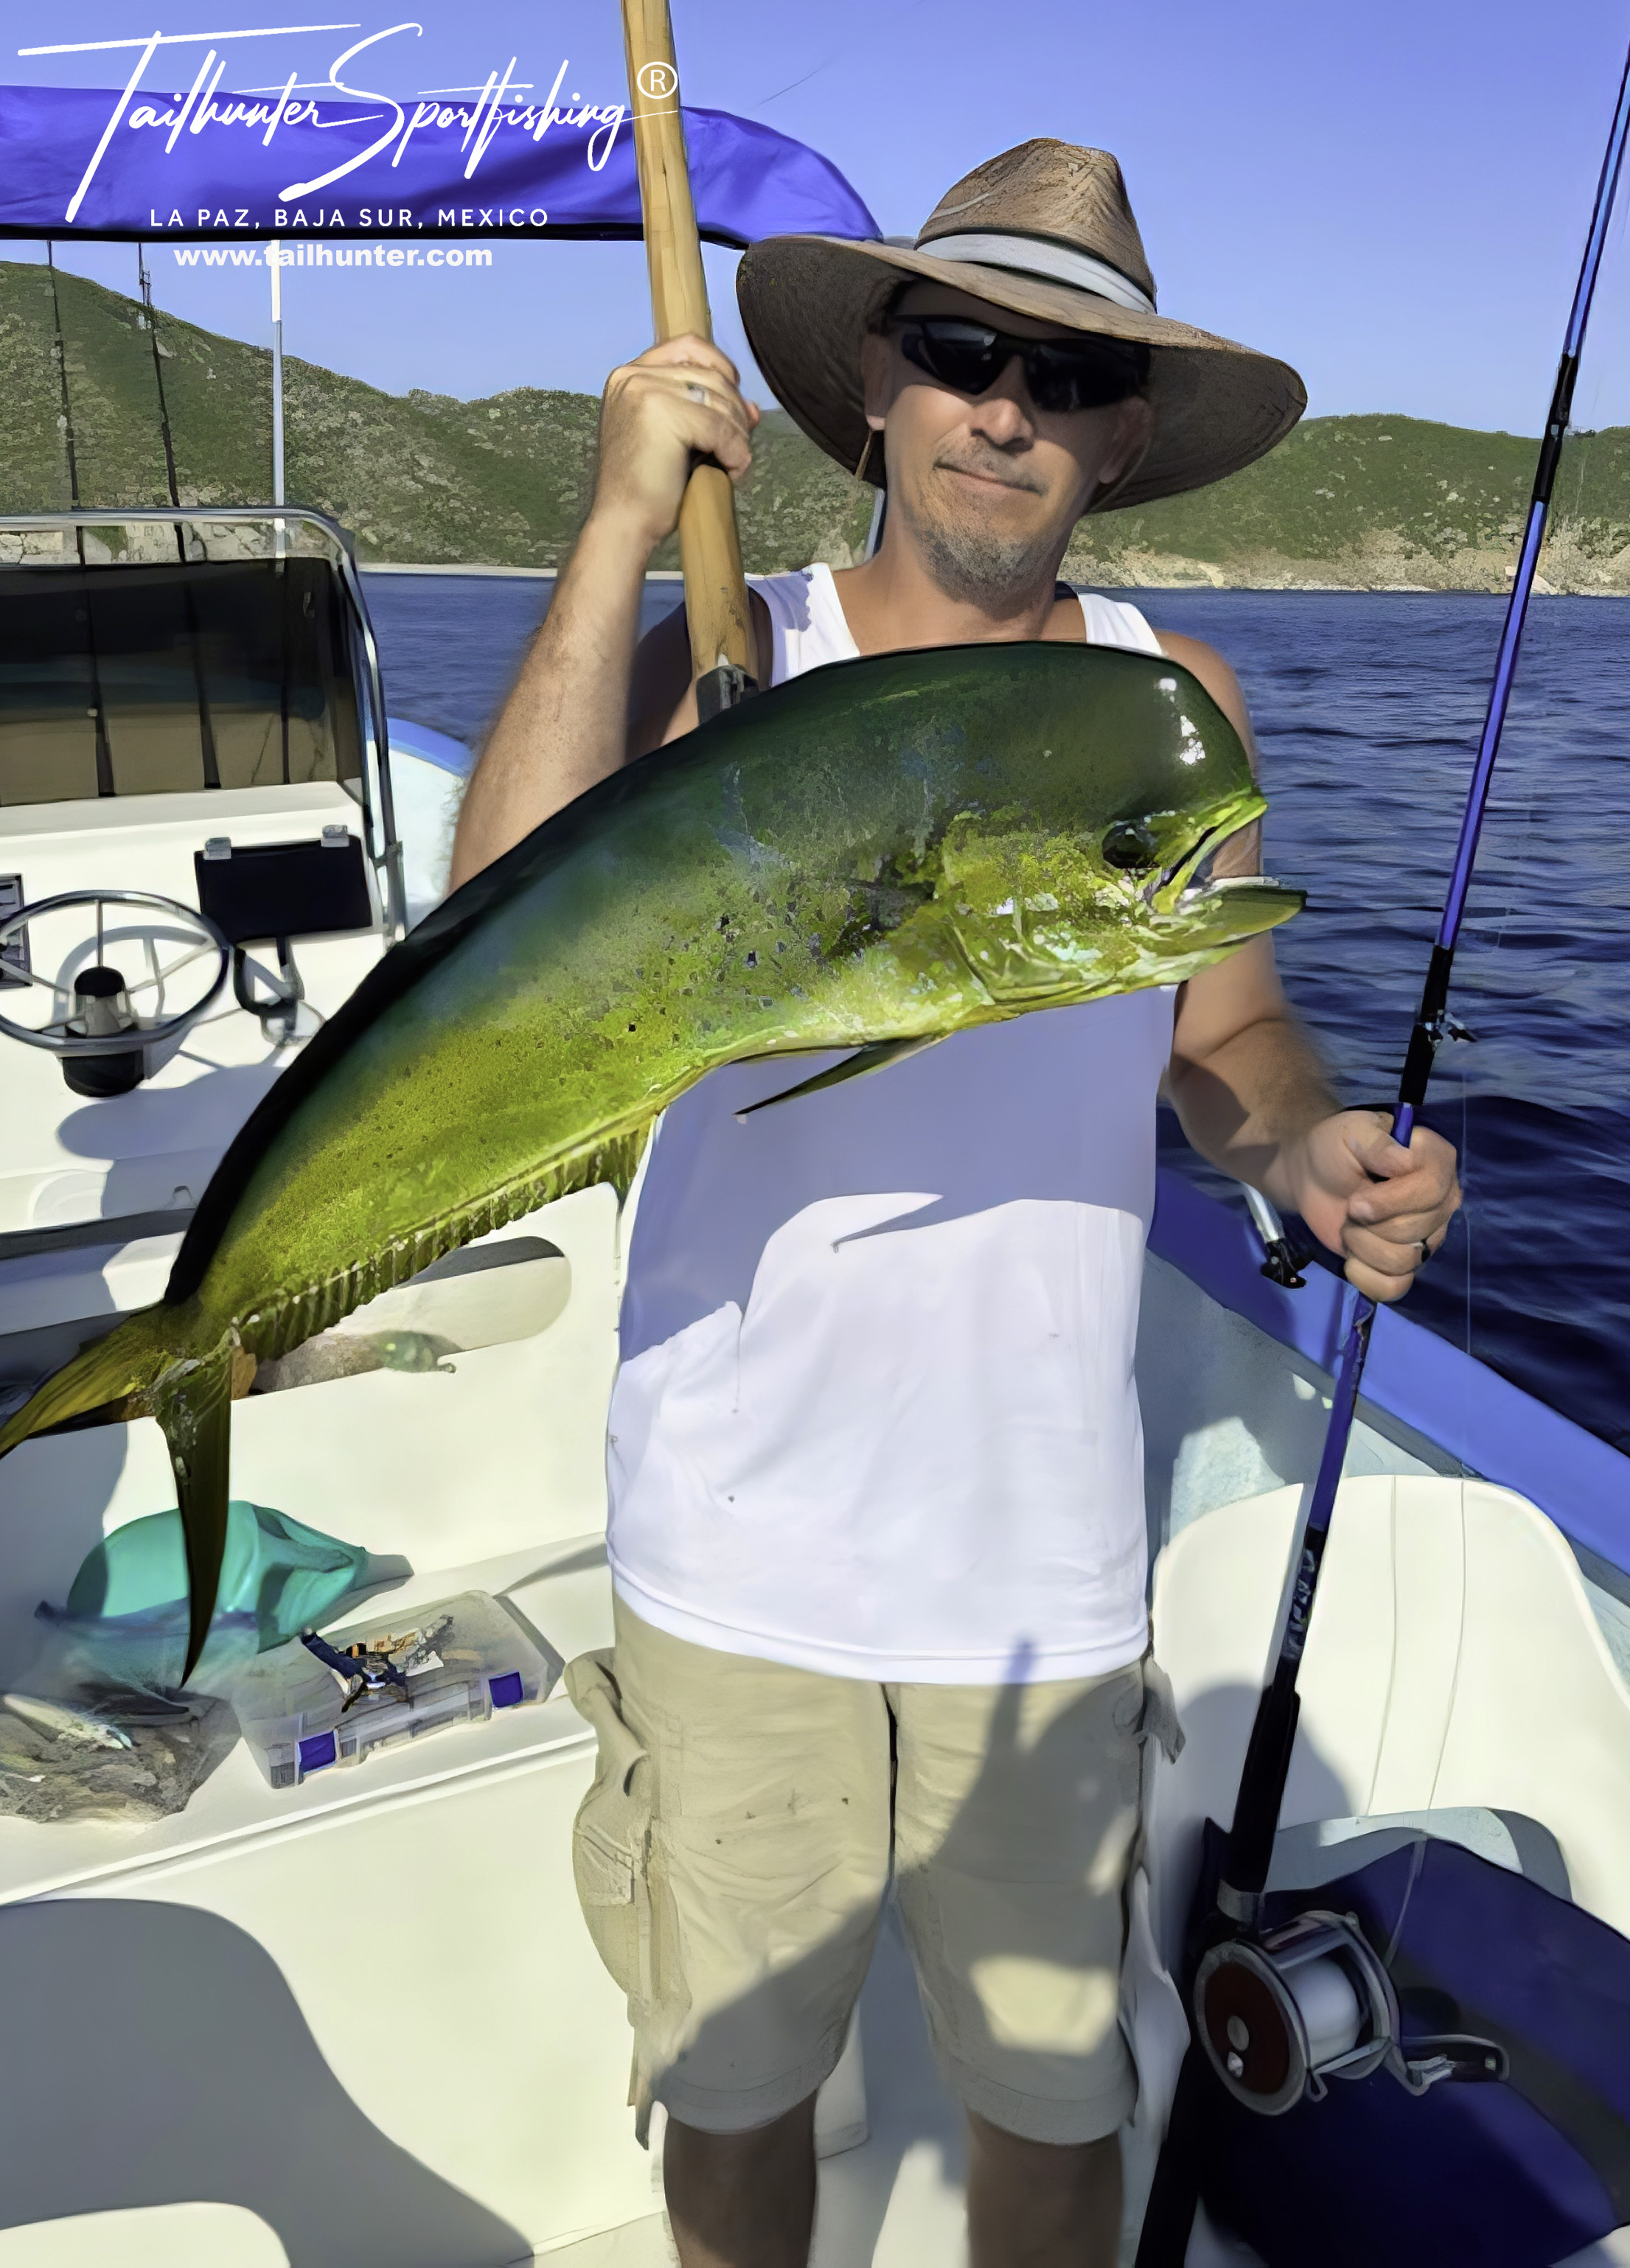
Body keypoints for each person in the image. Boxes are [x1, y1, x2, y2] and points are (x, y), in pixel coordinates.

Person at [452, 140, 1460, 2268]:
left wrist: (1305, 1146)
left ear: (1123, 439)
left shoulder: (1168, 701)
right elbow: (487, 926)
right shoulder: (738, 657)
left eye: (1068, 376)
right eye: (961, 350)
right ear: (877, 388)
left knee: (1053, 2110)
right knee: (735, 2100)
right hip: (734, 1553)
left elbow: (1222, 1033)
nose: (1007, 407)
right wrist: (619, 524)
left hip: (1040, 1576)